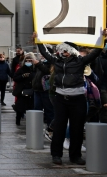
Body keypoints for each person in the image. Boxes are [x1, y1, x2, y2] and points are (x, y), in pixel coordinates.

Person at [35, 30, 107, 165]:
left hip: (78, 99)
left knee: (77, 128)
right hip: (61, 99)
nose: (63, 53)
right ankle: (56, 155)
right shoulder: (57, 61)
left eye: (66, 50)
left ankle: (75, 156)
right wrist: (38, 39)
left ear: (72, 51)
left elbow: (95, 52)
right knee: (59, 128)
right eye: (62, 50)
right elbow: (45, 53)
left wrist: (102, 38)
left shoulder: (80, 61)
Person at [12, 53, 36, 125]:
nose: (28, 62)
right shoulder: (21, 69)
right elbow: (15, 78)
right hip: (22, 91)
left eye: (30, 61)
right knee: (20, 107)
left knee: (31, 107)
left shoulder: (35, 69)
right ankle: (18, 120)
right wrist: (22, 76)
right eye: (27, 61)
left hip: (32, 91)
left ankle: (31, 122)